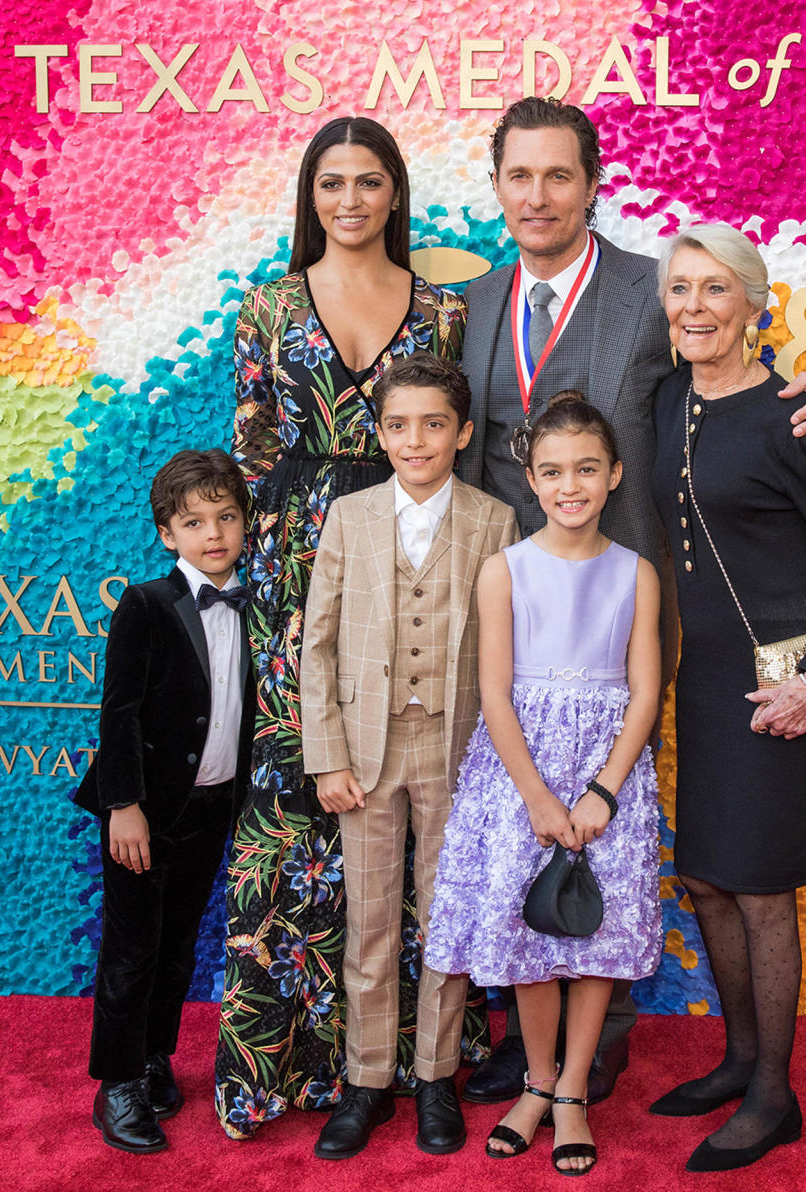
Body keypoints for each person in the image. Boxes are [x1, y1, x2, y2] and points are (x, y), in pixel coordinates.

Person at [457, 94, 806, 1107]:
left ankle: (605, 1046)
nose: (539, 194)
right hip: (518, 615)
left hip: (636, 626)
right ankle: (530, 1036)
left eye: (560, 174)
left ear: (594, 184)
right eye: (520, 175)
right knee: (524, 819)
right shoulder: (469, 305)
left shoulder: (655, 289)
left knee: (624, 821)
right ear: (497, 185)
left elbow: (738, 379)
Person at [214, 118, 486, 1138]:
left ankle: (425, 1066)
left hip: (414, 562)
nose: (351, 200)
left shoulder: (445, 310)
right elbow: (251, 448)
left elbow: (465, 440)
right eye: (332, 182)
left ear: (395, 193)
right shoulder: (268, 306)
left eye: (370, 181)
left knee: (417, 808)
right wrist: (262, 581)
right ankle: (295, 1063)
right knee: (301, 801)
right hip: (294, 583)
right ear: (310, 194)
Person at [649, 223, 806, 1172]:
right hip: (700, 678)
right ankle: (738, 1058)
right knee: (704, 876)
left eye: (715, 289)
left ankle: (776, 1093)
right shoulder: (667, 399)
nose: (695, 306)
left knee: (761, 887)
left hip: (788, 677)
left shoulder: (797, 414)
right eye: (680, 289)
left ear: (753, 302)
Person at [427, 392, 663, 1176]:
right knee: (531, 935)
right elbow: (494, 693)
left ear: (614, 475)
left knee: (592, 937)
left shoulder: (638, 575)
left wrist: (603, 791)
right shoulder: (505, 571)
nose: (572, 486)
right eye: (554, 471)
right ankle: (532, 1081)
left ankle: (571, 1093)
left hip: (606, 777)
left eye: (587, 469)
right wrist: (536, 795)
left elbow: (644, 693)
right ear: (531, 479)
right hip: (520, 774)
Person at [299, 352, 518, 1159]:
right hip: (364, 753)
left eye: (433, 425)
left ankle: (434, 1078)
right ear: (379, 433)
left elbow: (510, 651)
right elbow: (315, 647)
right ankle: (365, 1081)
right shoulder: (350, 518)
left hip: (456, 753)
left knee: (446, 921)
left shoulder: (494, 521)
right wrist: (326, 756)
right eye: (398, 425)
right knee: (370, 925)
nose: (415, 440)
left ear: (462, 433)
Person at [75, 449, 256, 1154]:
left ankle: (154, 1058)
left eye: (226, 517)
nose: (213, 534)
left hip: (211, 809)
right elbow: (117, 713)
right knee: (131, 951)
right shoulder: (146, 605)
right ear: (167, 534)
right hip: (143, 813)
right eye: (194, 522)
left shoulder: (256, 605)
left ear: (245, 524)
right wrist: (124, 806)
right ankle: (116, 1084)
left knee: (178, 947)